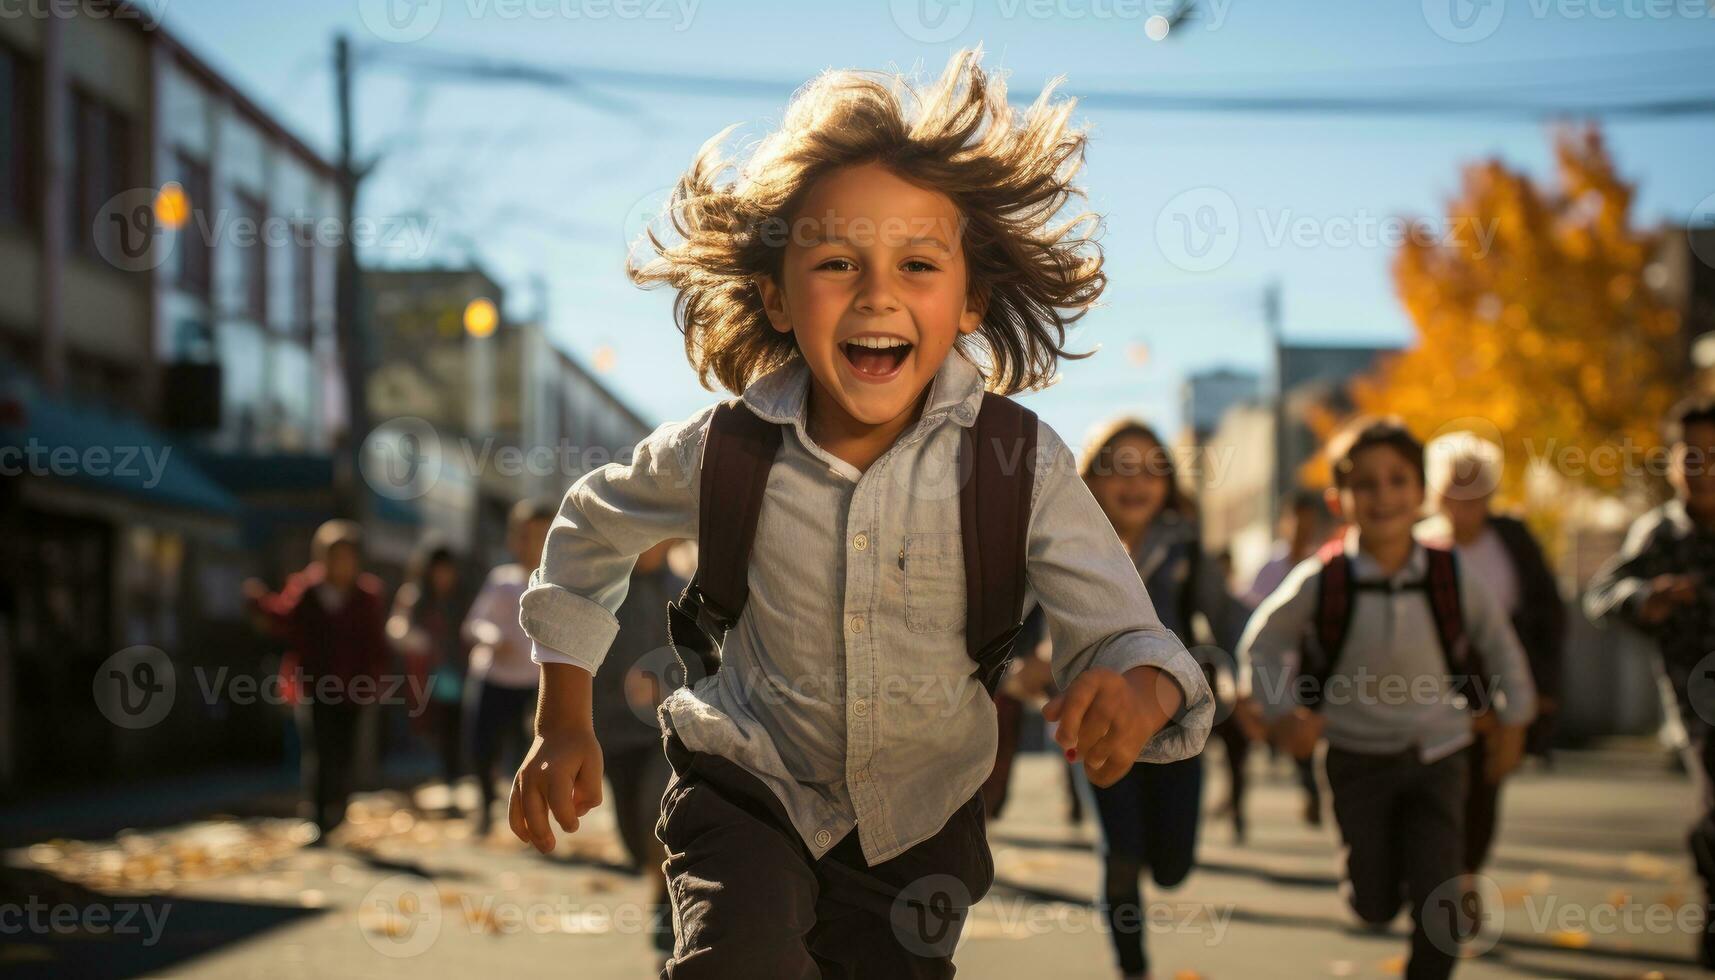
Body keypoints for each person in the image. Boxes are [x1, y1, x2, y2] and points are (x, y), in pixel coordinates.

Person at [508, 48, 1215, 979]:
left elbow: (1127, 633)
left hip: (921, 823)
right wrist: (562, 716)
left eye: (917, 263)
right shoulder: (723, 449)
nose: (877, 292)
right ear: (775, 294)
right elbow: (590, 528)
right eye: (837, 261)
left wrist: (1140, 689)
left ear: (969, 301)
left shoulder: (1014, 463)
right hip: (745, 784)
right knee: (739, 962)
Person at [1240, 417, 1536, 980]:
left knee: (1439, 901)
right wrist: (1281, 715)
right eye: (1365, 484)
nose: (1383, 496)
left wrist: (1515, 723)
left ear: (1422, 493)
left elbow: (1501, 646)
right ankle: (1375, 881)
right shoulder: (1323, 579)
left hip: (1440, 755)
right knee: (1372, 903)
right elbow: (1262, 643)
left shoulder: (1451, 573)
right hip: (1356, 760)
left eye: (1398, 481)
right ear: (1339, 498)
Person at [1070, 417, 1249, 979]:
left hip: (1175, 725)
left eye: (1151, 469)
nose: (1136, 482)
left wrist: (1250, 680)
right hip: (1097, 723)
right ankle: (1133, 967)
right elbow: (1023, 622)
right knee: (1121, 856)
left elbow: (1225, 621)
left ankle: (1162, 860)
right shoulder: (1069, 545)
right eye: (1119, 467)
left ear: (1169, 483)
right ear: (1091, 478)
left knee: (1171, 867)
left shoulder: (1186, 545)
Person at [1584, 394, 1715, 968]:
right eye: (1692, 455)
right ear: (1671, 461)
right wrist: (1647, 598)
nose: (1703, 468)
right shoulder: (1659, 535)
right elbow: (1601, 597)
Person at [1419, 434, 1566, 876]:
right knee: (1438, 784)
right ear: (1435, 492)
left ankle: (1466, 873)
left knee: (1484, 786)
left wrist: (1543, 689)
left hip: (1498, 679)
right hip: (1430, 683)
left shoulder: (1513, 541)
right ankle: (1438, 875)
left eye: (1474, 490)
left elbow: (1549, 615)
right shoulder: (1415, 544)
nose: (1464, 501)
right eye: (1453, 489)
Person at [245, 519, 391, 843]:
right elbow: (283, 619)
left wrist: (378, 679)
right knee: (318, 751)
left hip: (354, 690)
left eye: (347, 556)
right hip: (314, 686)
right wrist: (259, 602)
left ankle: (339, 805)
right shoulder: (308, 591)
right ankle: (317, 816)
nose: (341, 564)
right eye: (334, 556)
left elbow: (376, 644)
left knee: (343, 751)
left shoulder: (367, 596)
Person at [590, 538, 687, 958]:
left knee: (657, 814)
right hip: (611, 728)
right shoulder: (605, 587)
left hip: (665, 733)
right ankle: (655, 878)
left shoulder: (687, 591)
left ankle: (668, 901)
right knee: (631, 830)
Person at [463, 498, 555, 836]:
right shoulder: (501, 581)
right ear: (513, 538)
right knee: (483, 747)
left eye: (542, 535)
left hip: (535, 683)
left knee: (530, 752)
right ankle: (486, 807)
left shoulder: (557, 587)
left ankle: (530, 815)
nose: (533, 543)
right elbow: (473, 623)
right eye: (526, 535)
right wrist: (491, 636)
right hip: (494, 678)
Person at [1243, 491, 1333, 826]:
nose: (1301, 530)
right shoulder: (1269, 569)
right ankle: (1309, 785)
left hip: (1315, 669)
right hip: (1277, 671)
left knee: (1313, 726)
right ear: (1285, 523)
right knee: (1293, 727)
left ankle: (1315, 787)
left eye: (1309, 524)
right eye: (1296, 522)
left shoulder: (1323, 566)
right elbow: (1251, 620)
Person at [388, 539, 471, 810]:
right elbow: (398, 628)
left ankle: (453, 782)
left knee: (456, 729)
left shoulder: (463, 597)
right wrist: (417, 639)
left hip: (462, 673)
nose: (443, 576)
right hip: (426, 676)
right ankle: (447, 781)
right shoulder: (414, 595)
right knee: (436, 729)